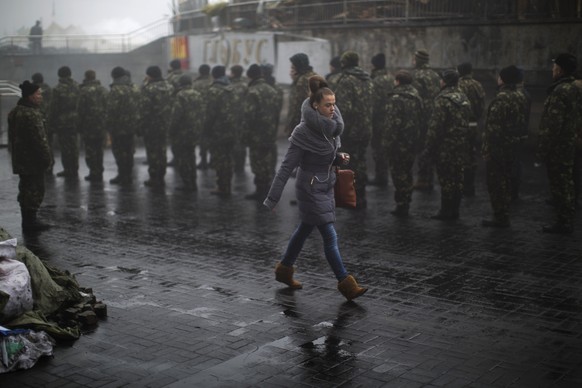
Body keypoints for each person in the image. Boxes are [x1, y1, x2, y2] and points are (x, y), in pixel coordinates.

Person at [263, 75, 367, 301]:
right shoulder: (302, 132)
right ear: (315, 106)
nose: (332, 109)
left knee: (304, 230)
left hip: (326, 185)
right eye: (327, 105)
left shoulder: (331, 129)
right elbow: (286, 167)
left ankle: (284, 270)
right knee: (329, 236)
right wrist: (272, 199)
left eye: (333, 104)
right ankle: (347, 284)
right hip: (309, 188)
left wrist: (338, 158)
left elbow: (326, 155)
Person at [537, 53, 581, 234]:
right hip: (570, 142)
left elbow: (552, 125)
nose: (552, 70)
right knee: (567, 182)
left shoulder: (560, 90)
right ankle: (566, 219)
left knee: (560, 185)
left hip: (559, 147)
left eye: (554, 67)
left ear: (560, 70)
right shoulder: (576, 88)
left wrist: (542, 150)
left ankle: (564, 222)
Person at [481, 65, 528, 227]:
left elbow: (493, 129)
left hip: (498, 148)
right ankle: (504, 213)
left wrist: (488, 149)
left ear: (503, 79)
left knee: (496, 182)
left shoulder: (501, 98)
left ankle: (500, 216)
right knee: (507, 179)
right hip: (513, 145)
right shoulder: (520, 96)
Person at [424, 69, 472, 220]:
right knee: (458, 177)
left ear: (444, 81)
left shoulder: (442, 99)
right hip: (461, 144)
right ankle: (455, 209)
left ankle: (446, 210)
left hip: (446, 146)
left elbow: (436, 127)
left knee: (445, 178)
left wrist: (429, 147)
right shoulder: (463, 98)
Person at [330, 51, 374, 208]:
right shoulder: (367, 79)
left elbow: (345, 109)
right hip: (366, 127)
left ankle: (351, 197)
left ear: (344, 63)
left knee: (349, 163)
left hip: (351, 130)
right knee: (361, 161)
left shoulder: (346, 81)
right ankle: (361, 196)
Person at [8, 81, 52, 232]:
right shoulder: (31, 113)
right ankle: (30, 221)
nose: (40, 97)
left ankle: (28, 219)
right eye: (38, 94)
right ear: (30, 96)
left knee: (25, 188)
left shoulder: (15, 111)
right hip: (33, 160)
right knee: (35, 190)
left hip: (21, 159)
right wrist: (47, 158)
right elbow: (40, 139)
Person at [383, 70, 423, 217]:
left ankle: (402, 204)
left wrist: (387, 144)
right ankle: (406, 200)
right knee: (407, 171)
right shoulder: (417, 97)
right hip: (412, 141)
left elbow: (392, 125)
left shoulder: (395, 99)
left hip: (398, 144)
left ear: (398, 81)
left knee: (398, 173)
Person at [242, 64, 281, 200]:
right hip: (269, 131)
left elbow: (248, 116)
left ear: (250, 76)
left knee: (257, 161)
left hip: (256, 134)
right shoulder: (272, 90)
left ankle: (261, 190)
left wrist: (244, 135)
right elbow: (277, 112)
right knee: (267, 160)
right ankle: (268, 187)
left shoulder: (252, 92)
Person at [203, 65, 238, 197]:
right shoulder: (231, 88)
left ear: (214, 75)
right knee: (228, 158)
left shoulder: (213, 90)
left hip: (218, 131)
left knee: (220, 159)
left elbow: (210, 114)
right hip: (231, 129)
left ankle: (222, 187)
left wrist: (206, 130)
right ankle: (227, 185)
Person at [139, 65, 173, 188]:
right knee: (162, 151)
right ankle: (161, 176)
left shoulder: (149, 88)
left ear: (150, 75)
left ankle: (154, 177)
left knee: (152, 152)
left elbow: (144, 109)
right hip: (165, 124)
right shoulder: (169, 86)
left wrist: (141, 125)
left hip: (151, 126)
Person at [169, 74, 205, 191]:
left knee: (183, 158)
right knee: (191, 155)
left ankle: (187, 183)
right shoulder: (197, 94)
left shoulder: (180, 95)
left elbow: (176, 115)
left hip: (182, 132)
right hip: (194, 130)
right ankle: (193, 181)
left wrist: (171, 130)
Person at [411, 49, 441, 192]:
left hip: (422, 117)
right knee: (431, 146)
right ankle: (430, 177)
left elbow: (416, 98)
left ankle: (423, 179)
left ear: (418, 60)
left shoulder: (417, 76)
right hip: (434, 115)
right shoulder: (435, 75)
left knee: (422, 147)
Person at [457, 62, 486, 197]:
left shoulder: (458, 85)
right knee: (471, 151)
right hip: (473, 123)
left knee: (460, 153)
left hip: (460, 123)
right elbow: (481, 105)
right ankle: (470, 185)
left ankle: (462, 184)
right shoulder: (477, 84)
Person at [106, 66, 139, 185]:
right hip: (131, 125)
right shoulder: (133, 88)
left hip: (118, 127)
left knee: (119, 152)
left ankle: (122, 175)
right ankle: (128, 175)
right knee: (129, 151)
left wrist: (108, 126)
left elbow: (111, 110)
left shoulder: (115, 90)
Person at [48, 66, 80, 179]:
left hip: (63, 122)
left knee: (65, 147)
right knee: (74, 145)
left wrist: (51, 123)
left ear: (59, 75)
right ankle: (75, 168)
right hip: (75, 120)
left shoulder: (57, 89)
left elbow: (54, 108)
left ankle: (68, 169)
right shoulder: (77, 86)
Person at [78, 70, 108, 182]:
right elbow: (108, 106)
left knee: (90, 150)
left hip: (88, 126)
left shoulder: (83, 91)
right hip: (101, 125)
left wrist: (79, 125)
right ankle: (99, 171)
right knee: (99, 149)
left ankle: (93, 172)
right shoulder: (103, 90)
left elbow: (80, 110)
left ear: (86, 77)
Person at [370, 53, 394, 187]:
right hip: (390, 117)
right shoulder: (391, 79)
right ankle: (384, 175)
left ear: (374, 65)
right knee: (385, 148)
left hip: (378, 118)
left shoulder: (375, 81)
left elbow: (373, 102)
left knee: (377, 148)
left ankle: (381, 176)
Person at [285, 53, 317, 136]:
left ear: (298, 67)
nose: (291, 70)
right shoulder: (315, 76)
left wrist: (292, 127)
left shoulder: (302, 81)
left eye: (293, 67)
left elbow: (297, 106)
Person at [31, 72, 54, 175]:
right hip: (49, 120)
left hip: (37, 120)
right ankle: (50, 164)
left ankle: (41, 165)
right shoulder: (49, 89)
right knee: (49, 144)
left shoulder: (32, 90)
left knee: (38, 144)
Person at [229, 65, 249, 173]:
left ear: (233, 73)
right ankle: (240, 164)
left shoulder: (230, 85)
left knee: (234, 141)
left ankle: (235, 163)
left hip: (232, 117)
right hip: (243, 116)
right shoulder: (245, 85)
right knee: (241, 141)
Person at [193, 64, 213, 170]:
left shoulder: (196, 84)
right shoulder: (213, 82)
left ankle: (203, 160)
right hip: (213, 114)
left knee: (203, 138)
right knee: (213, 137)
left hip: (200, 115)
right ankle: (213, 160)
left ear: (200, 72)